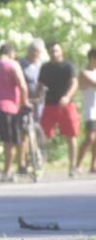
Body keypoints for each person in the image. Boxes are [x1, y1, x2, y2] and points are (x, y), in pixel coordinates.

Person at [0, 44, 29, 182]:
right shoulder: (13, 65)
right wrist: (24, 103)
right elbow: (23, 86)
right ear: (11, 53)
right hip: (8, 108)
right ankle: (5, 172)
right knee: (9, 141)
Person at [38, 41, 79, 177]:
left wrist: (67, 97)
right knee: (42, 136)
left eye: (56, 50)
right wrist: (36, 98)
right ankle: (41, 166)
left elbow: (74, 83)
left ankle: (72, 167)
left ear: (61, 51)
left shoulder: (68, 66)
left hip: (66, 105)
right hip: (49, 105)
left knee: (71, 136)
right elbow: (40, 85)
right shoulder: (45, 68)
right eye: (51, 51)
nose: (54, 53)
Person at [17, 39, 45, 175]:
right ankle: (21, 163)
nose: (36, 55)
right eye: (34, 52)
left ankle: (36, 160)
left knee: (35, 131)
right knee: (24, 132)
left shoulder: (41, 65)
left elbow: (44, 82)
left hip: (38, 102)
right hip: (24, 102)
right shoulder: (21, 64)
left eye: (38, 52)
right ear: (29, 51)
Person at [75, 48, 96, 173]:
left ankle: (93, 165)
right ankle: (77, 165)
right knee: (90, 138)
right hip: (90, 110)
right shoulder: (84, 73)